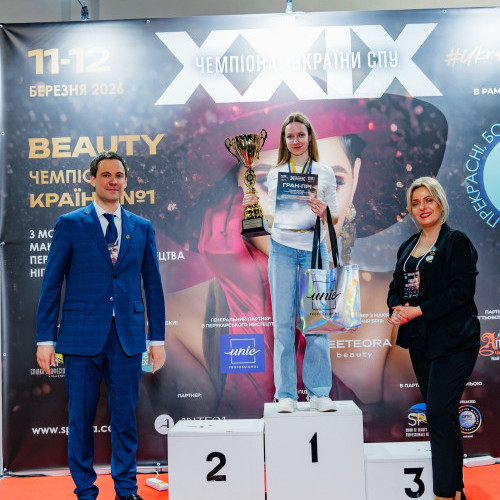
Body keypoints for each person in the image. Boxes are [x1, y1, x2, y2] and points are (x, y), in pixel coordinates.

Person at [35, 151, 166, 500]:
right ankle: (85, 492)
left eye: (118, 175)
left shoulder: (142, 227)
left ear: (126, 181)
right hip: (80, 338)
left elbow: (153, 286)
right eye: (105, 174)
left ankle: (126, 490)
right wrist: (45, 339)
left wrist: (157, 338)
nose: (113, 181)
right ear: (92, 179)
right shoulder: (70, 224)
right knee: (80, 420)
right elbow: (51, 284)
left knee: (125, 420)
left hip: (128, 338)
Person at [387, 177, 480, 500]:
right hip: (421, 341)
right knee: (444, 417)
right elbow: (395, 287)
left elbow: (461, 291)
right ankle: (456, 490)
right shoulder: (407, 247)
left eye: (428, 200)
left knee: (438, 414)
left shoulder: (457, 242)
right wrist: (397, 310)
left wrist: (419, 310)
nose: (422, 207)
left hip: (455, 340)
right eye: (416, 203)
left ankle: (442, 494)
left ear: (440, 203)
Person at [243, 112, 339, 413]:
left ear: (309, 137)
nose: (295, 140)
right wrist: (254, 208)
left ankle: (319, 392)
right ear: (284, 140)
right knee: (283, 324)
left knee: (317, 323)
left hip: (315, 249)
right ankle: (285, 394)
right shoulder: (276, 174)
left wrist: (324, 211)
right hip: (282, 248)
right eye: (290, 136)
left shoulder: (324, 172)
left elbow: (335, 215)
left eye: (300, 135)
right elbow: (273, 218)